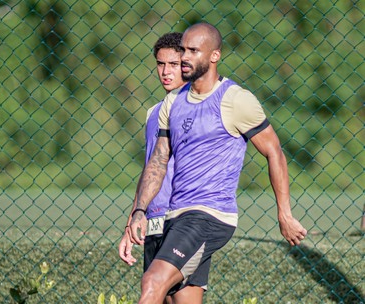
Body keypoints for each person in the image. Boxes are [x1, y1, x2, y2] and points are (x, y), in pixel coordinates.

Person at [128, 22, 308, 304]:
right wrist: (139, 209)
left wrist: (284, 214)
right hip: (177, 216)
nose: (185, 57)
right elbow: (158, 161)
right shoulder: (172, 102)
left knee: (152, 281)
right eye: (183, 50)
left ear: (214, 56)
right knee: (179, 300)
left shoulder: (235, 100)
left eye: (193, 51)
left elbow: (275, 152)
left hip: (209, 215)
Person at [118, 32, 187, 304]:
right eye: (161, 64)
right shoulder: (153, 112)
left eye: (173, 64)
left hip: (183, 220)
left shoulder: (196, 107)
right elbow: (150, 169)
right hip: (153, 220)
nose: (166, 71)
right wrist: (133, 218)